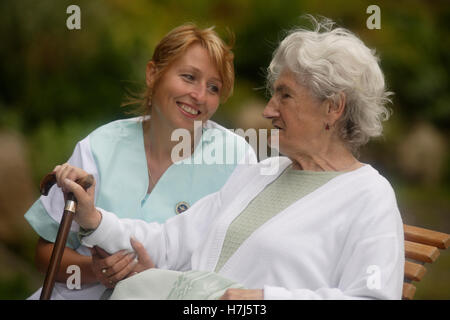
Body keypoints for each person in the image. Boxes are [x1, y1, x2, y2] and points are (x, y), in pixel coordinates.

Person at [58, 16, 405, 300]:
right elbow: (168, 241)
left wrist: (261, 300)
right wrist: (93, 218)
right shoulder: (262, 173)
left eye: (284, 96)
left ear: (333, 107)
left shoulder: (368, 196)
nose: (269, 110)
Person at [24, 23, 256, 300]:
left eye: (214, 87)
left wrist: (157, 281)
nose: (199, 96)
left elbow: (240, 267)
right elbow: (46, 251)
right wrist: (95, 271)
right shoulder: (99, 146)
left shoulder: (236, 159)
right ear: (152, 73)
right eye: (188, 77)